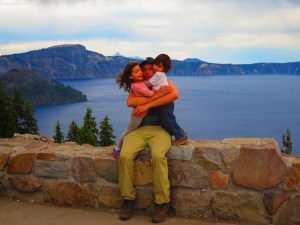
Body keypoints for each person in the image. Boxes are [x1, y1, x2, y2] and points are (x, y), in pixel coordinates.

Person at [118, 57, 179, 223]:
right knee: (124, 155)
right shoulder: (140, 87)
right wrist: (153, 100)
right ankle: (128, 199)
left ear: (156, 69)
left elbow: (174, 94)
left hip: (159, 130)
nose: (146, 72)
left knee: (159, 156)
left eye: (149, 69)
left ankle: (162, 202)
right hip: (139, 131)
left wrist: (145, 104)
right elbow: (130, 102)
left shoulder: (165, 82)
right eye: (143, 70)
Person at [112, 61, 169, 159]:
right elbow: (149, 94)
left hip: (140, 114)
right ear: (130, 76)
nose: (141, 73)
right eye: (137, 71)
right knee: (128, 132)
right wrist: (158, 93)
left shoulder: (141, 82)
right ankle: (117, 149)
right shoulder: (136, 86)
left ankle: (119, 147)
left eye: (140, 70)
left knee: (129, 131)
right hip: (138, 116)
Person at [145, 54, 187, 145]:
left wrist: (140, 83)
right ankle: (180, 131)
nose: (156, 67)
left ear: (164, 69)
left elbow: (148, 84)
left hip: (165, 102)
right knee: (167, 119)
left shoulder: (158, 74)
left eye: (159, 66)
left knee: (168, 119)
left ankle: (180, 137)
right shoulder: (161, 74)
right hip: (166, 101)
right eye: (155, 64)